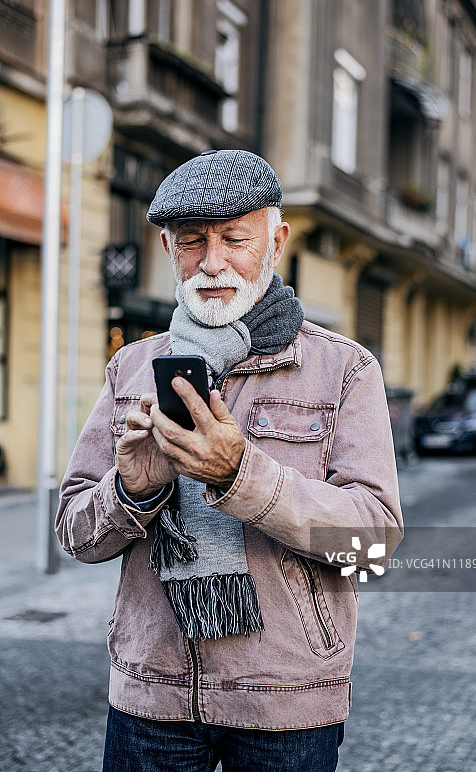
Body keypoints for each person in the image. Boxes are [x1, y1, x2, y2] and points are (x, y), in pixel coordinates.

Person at [56, 149, 403, 772]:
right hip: (150, 696)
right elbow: (75, 534)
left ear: (278, 240)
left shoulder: (345, 369)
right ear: (167, 248)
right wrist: (130, 492)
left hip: (286, 700)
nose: (212, 263)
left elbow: (372, 538)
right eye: (191, 242)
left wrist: (239, 475)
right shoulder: (132, 367)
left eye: (235, 239)